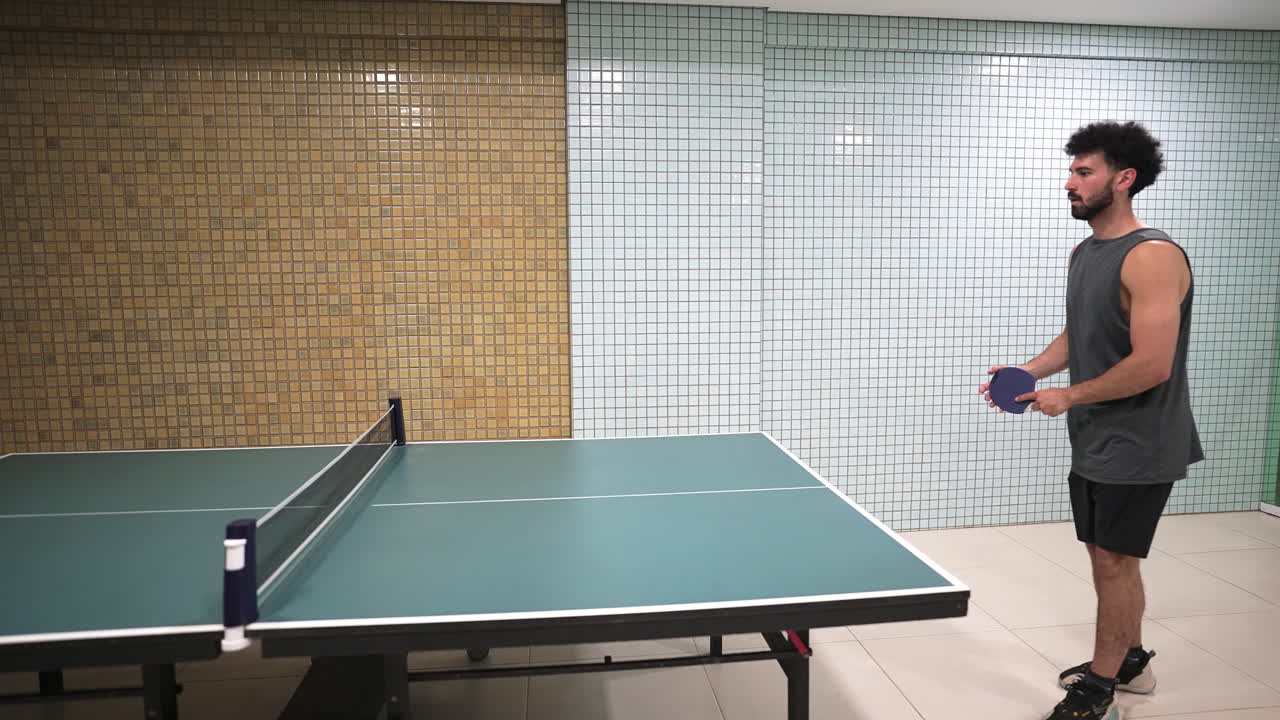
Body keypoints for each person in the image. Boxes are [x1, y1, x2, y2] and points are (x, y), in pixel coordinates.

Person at [979, 121, 1203, 720]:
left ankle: (1101, 686)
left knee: (1113, 559)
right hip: (1100, 437)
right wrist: (1027, 371)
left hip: (1143, 438)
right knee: (1106, 554)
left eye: (1084, 172)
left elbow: (1152, 364)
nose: (1069, 183)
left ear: (1123, 180)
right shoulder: (1086, 252)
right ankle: (1130, 660)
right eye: (1072, 171)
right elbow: (1082, 331)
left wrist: (1070, 396)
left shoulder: (1152, 256)